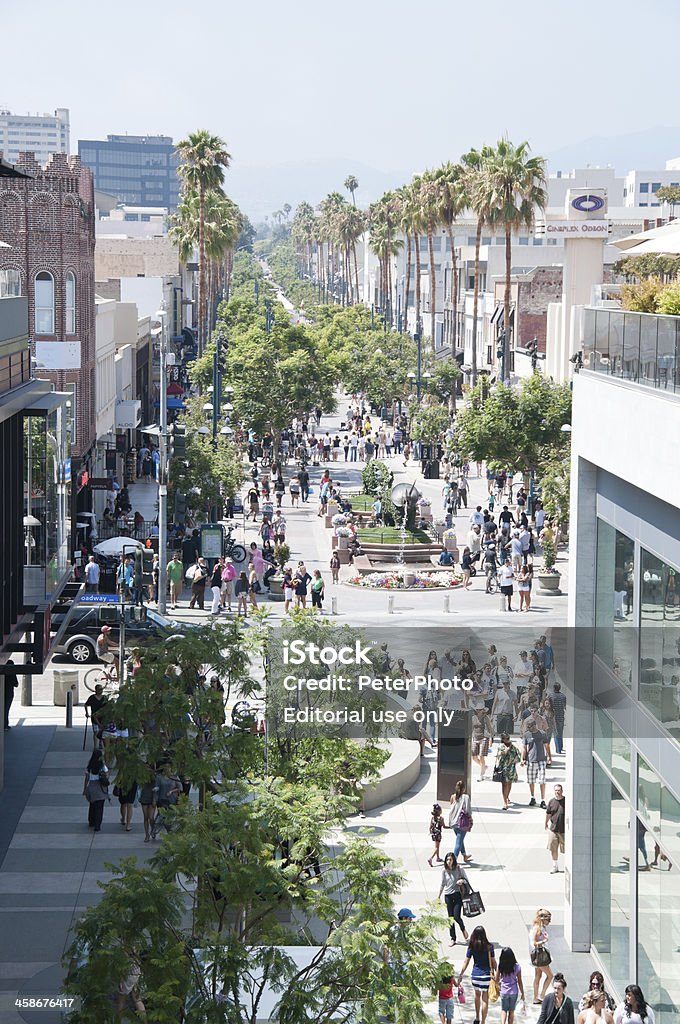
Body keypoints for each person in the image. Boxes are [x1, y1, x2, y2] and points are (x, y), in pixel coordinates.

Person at [457, 925, 497, 1024]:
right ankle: (483, 1021)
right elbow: (494, 962)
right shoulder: (489, 947)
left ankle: (477, 1017)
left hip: (475, 976)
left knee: (477, 996)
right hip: (486, 976)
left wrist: (461, 974)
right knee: (485, 999)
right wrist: (497, 974)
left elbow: (466, 962)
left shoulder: (472, 946)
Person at [437, 851, 469, 945]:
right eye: (447, 859)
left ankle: (463, 929)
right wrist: (438, 896)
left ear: (454, 860)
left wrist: (461, 881)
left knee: (456, 916)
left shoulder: (459, 869)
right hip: (448, 896)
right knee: (450, 918)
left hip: (458, 895)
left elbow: (466, 880)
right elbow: (443, 883)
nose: (448, 861)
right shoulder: (444, 871)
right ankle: (453, 938)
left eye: (450, 859)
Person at [521, 717, 549, 807]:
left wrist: (549, 757)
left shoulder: (542, 734)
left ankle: (543, 800)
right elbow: (524, 748)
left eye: (530, 727)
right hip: (531, 760)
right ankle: (532, 797)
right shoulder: (527, 735)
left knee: (542, 781)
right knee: (531, 781)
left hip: (541, 760)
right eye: (528, 727)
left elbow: (546, 745)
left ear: (534, 725)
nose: (529, 729)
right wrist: (522, 759)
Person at [495, 947, 526, 1024]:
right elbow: (519, 981)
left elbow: (496, 979)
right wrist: (522, 993)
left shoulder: (501, 966)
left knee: (504, 1010)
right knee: (511, 1011)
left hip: (504, 991)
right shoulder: (517, 967)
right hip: (513, 992)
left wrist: (497, 982)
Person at [529, 908, 553, 1004]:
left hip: (537, 956)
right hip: (540, 956)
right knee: (550, 975)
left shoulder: (538, 927)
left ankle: (536, 997)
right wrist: (544, 941)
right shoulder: (537, 929)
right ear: (543, 919)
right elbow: (534, 943)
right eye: (548, 919)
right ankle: (542, 995)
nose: (549, 922)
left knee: (538, 976)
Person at [83, 748, 109, 833]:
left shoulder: (89, 766)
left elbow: (86, 779)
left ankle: (91, 821)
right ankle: (97, 825)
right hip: (100, 789)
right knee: (99, 808)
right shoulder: (102, 766)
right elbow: (107, 776)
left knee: (92, 805)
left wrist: (85, 789)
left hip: (91, 787)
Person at [494, 733, 521, 809]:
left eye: (508, 738)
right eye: (506, 738)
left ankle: (507, 796)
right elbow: (500, 756)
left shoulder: (514, 747)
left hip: (511, 769)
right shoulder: (501, 747)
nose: (508, 740)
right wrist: (506, 750)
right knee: (504, 785)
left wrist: (515, 761)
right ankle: (505, 802)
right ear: (503, 740)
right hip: (503, 769)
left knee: (509, 784)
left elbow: (518, 757)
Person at [448, 779, 473, 862]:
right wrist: (471, 819)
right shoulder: (466, 797)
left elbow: (451, 808)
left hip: (454, 822)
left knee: (460, 839)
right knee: (458, 842)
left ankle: (464, 855)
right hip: (463, 823)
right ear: (464, 788)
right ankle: (453, 860)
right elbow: (468, 810)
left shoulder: (452, 796)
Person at [545, 784, 565, 873]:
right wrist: (545, 822)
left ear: (562, 791)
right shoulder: (551, 801)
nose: (557, 792)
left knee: (566, 848)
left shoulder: (566, 801)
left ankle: (568, 865)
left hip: (564, 830)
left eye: (559, 790)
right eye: (556, 790)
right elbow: (548, 813)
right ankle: (555, 866)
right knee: (553, 848)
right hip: (553, 829)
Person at [471, 707, 493, 780]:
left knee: (481, 756)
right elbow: (471, 728)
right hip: (475, 737)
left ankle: (481, 774)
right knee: (474, 757)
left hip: (484, 737)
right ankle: (483, 766)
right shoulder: (473, 718)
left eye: (481, 710)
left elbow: (490, 728)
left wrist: (491, 739)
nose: (480, 711)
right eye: (478, 710)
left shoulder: (485, 718)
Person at [549, 682, 567, 755]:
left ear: (553, 688)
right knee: (560, 732)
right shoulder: (563, 696)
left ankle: (558, 749)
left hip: (553, 716)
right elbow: (564, 706)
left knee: (555, 733)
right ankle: (561, 746)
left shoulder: (551, 696)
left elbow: (549, 706)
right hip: (561, 716)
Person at [3, 660, 18, 730]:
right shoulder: (12, 673)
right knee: (6, 710)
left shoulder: (3, 672)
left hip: (2, 693)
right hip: (9, 694)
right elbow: (16, 684)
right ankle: (5, 724)